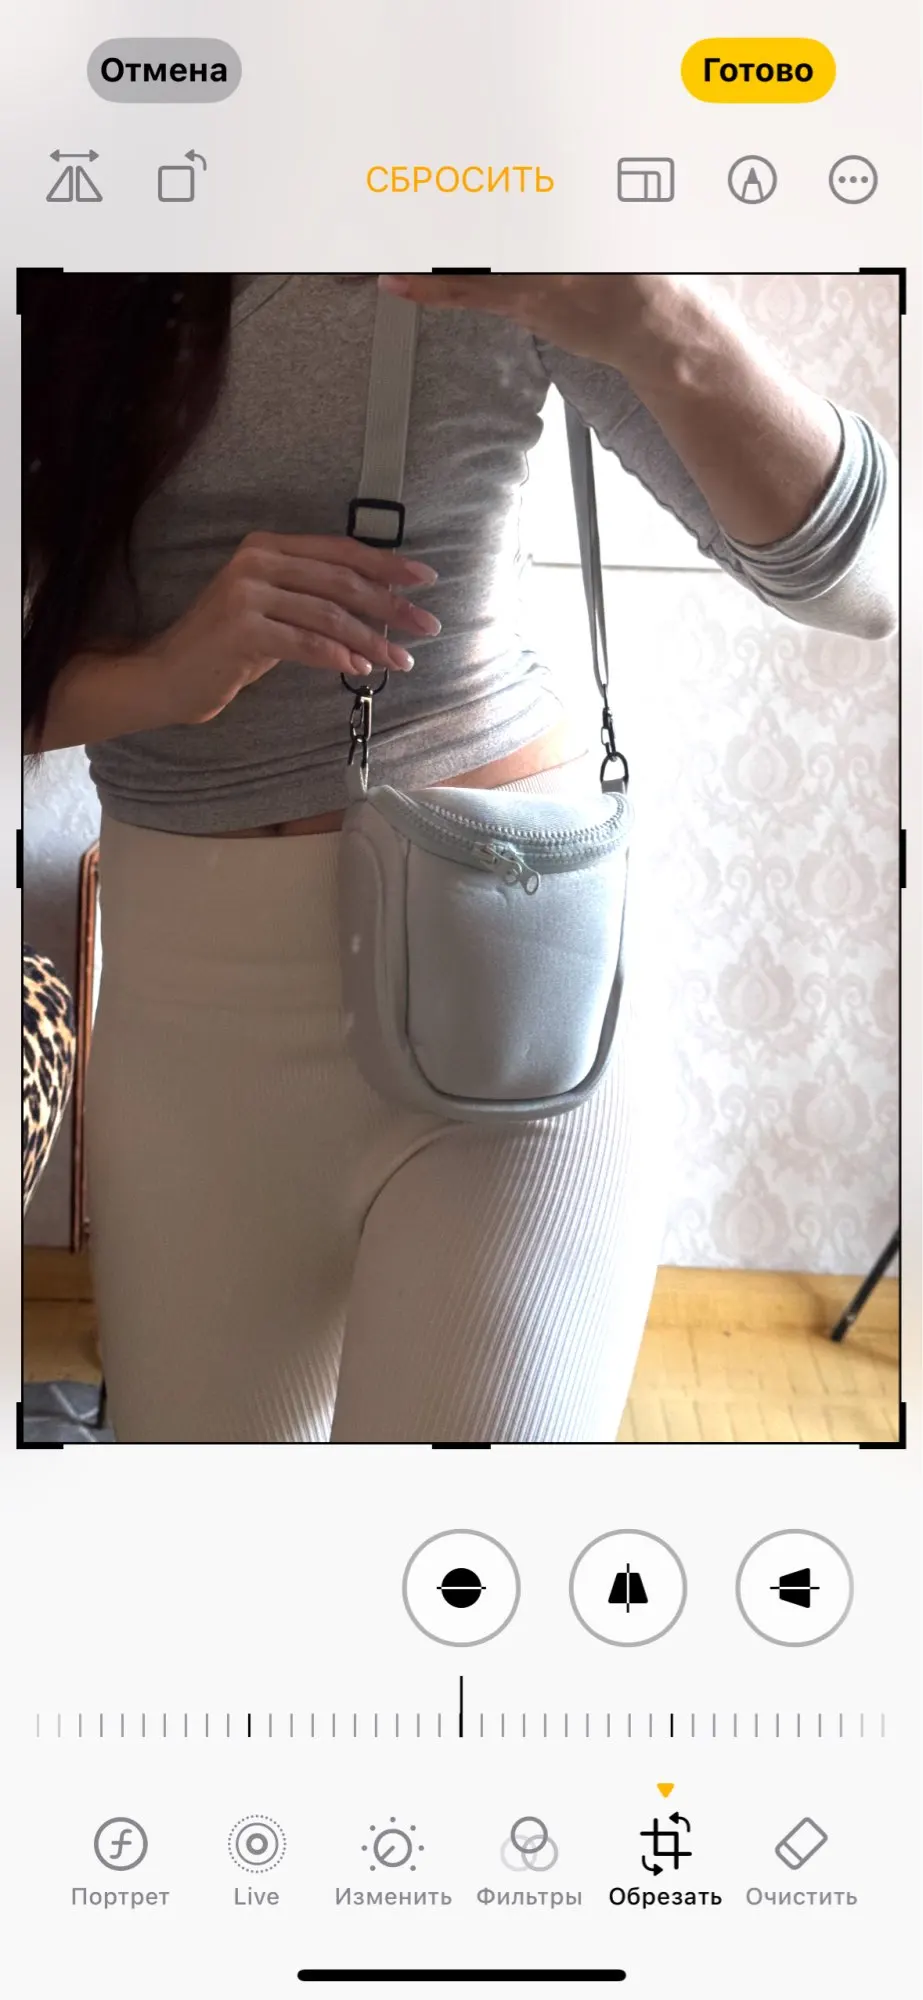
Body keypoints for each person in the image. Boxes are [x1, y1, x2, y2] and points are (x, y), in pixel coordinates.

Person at [22, 273, 897, 1445]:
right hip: (187, 1019)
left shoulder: (488, 212)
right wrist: (156, 680)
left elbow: (862, 578)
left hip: (504, 995)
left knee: (462, 1555)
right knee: (216, 1551)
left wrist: (655, 315)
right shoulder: (69, 239)